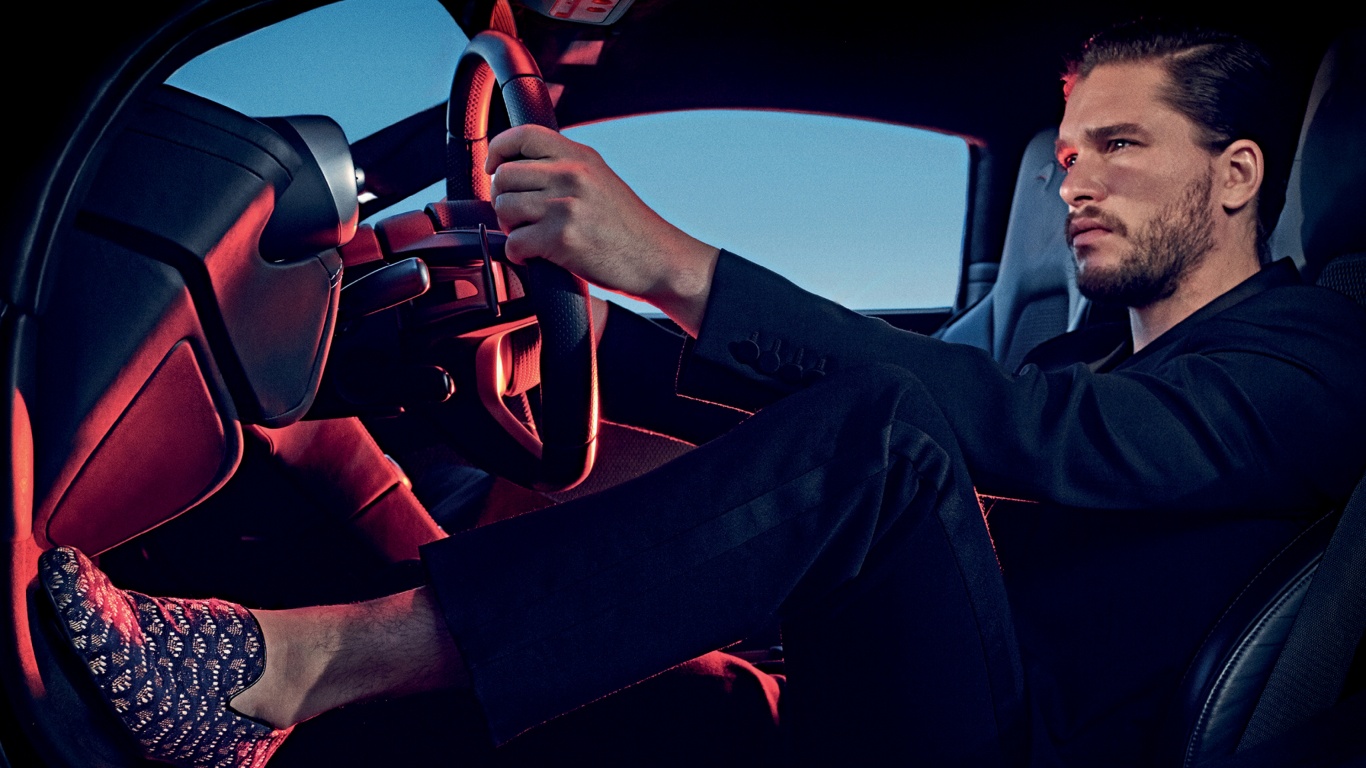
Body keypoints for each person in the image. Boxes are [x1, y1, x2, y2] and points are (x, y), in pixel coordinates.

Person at [35, 20, 1366, 768]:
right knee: (656, 699)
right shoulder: (1087, 357)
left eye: (1120, 146)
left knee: (884, 437)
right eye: (1066, 154)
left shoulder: (1324, 349)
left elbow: (1038, 440)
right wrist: (592, 312)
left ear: (1238, 174)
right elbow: (867, 454)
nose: (1074, 182)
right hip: (937, 701)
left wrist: (678, 263)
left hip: (1039, 746)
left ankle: (285, 671)